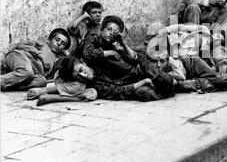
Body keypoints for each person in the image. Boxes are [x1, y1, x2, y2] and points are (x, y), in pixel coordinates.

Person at [27, 55, 172, 103]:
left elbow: (132, 60)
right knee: (144, 93)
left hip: (142, 68)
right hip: (138, 83)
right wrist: (144, 82)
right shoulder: (96, 86)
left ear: (83, 62)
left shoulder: (101, 60)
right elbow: (119, 91)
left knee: (162, 79)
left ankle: (176, 83)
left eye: (82, 70)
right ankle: (177, 85)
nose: (84, 75)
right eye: (78, 76)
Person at [1, 28, 71, 91]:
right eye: (57, 40)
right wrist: (34, 50)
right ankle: (2, 81)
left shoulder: (57, 60)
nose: (58, 43)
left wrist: (65, 52)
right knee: (27, 72)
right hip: (19, 56)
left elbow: (71, 61)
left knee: (41, 82)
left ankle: (8, 85)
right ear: (49, 40)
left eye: (62, 43)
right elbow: (19, 45)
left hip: (30, 73)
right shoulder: (42, 44)